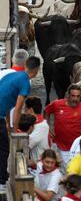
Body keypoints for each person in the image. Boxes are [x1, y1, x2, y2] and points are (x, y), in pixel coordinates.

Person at [0, 56, 40, 190]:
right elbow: (17, 108)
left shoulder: (12, 75)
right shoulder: (25, 82)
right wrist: (15, 130)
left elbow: (6, 100)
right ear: (36, 71)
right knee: (4, 148)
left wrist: (9, 125)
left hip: (1, 116)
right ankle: (1, 182)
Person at [44, 84, 81, 169]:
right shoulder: (57, 104)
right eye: (73, 96)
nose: (75, 99)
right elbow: (46, 112)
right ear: (68, 95)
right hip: (61, 145)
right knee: (67, 169)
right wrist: (47, 128)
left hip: (78, 147)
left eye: (78, 96)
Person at [24, 96, 50, 162]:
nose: (24, 112)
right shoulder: (42, 123)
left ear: (31, 110)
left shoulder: (39, 127)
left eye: (25, 108)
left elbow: (24, 147)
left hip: (38, 169)